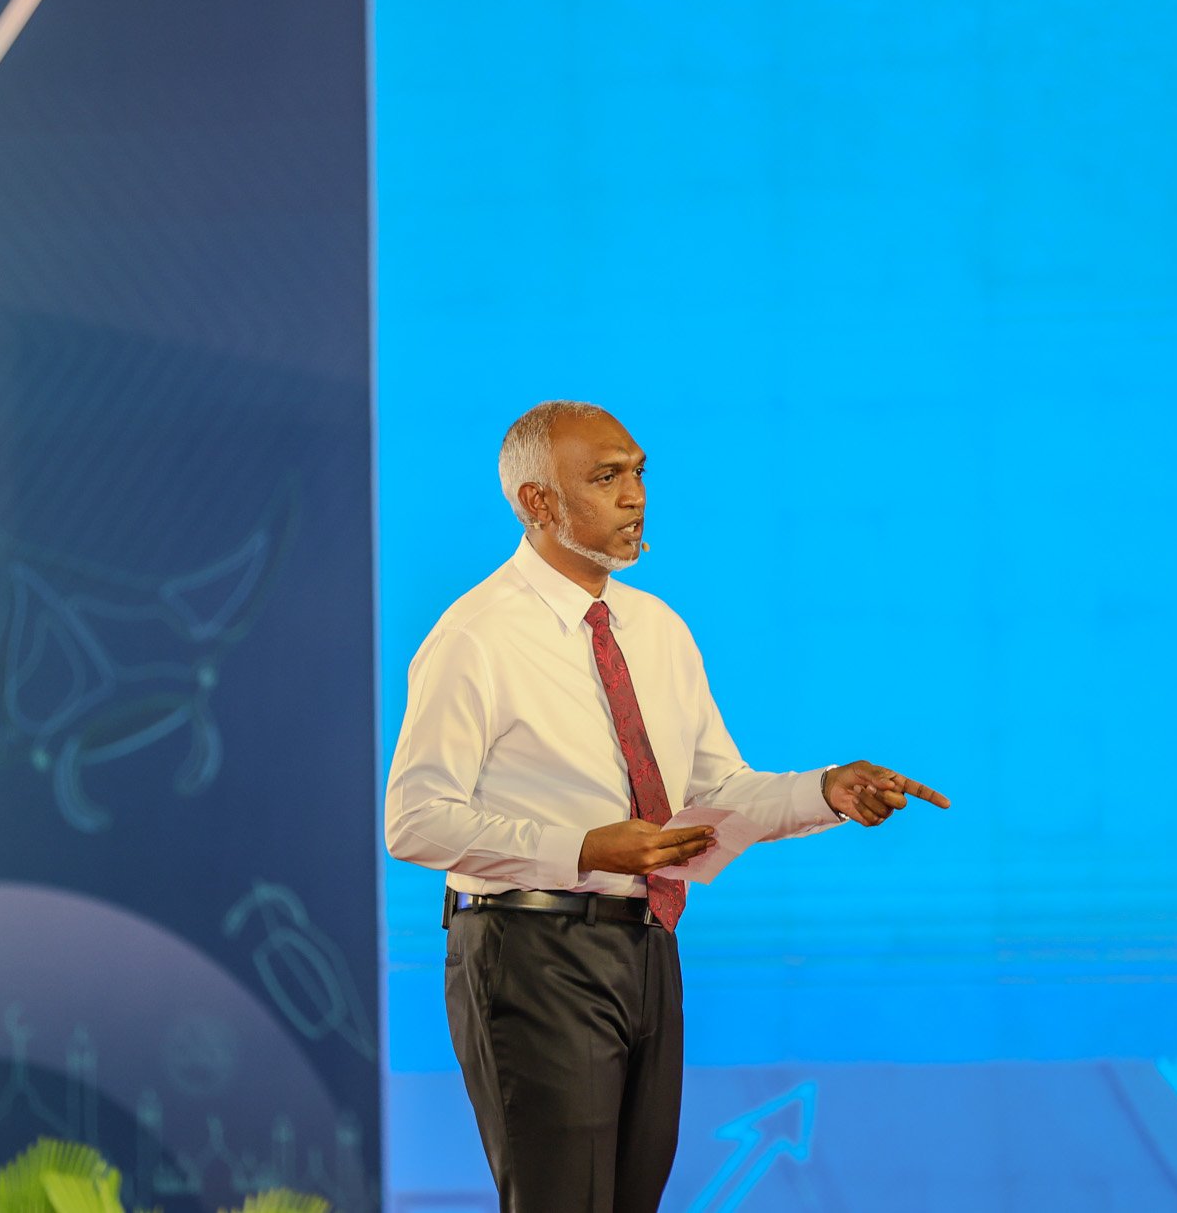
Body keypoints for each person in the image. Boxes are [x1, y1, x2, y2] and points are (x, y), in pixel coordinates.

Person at [383, 400, 949, 1213]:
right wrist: (584, 848)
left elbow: (715, 797)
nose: (635, 495)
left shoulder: (657, 629)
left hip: (647, 944)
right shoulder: (476, 636)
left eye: (639, 472)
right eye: (606, 477)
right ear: (537, 501)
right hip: (530, 949)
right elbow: (415, 818)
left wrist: (826, 789)